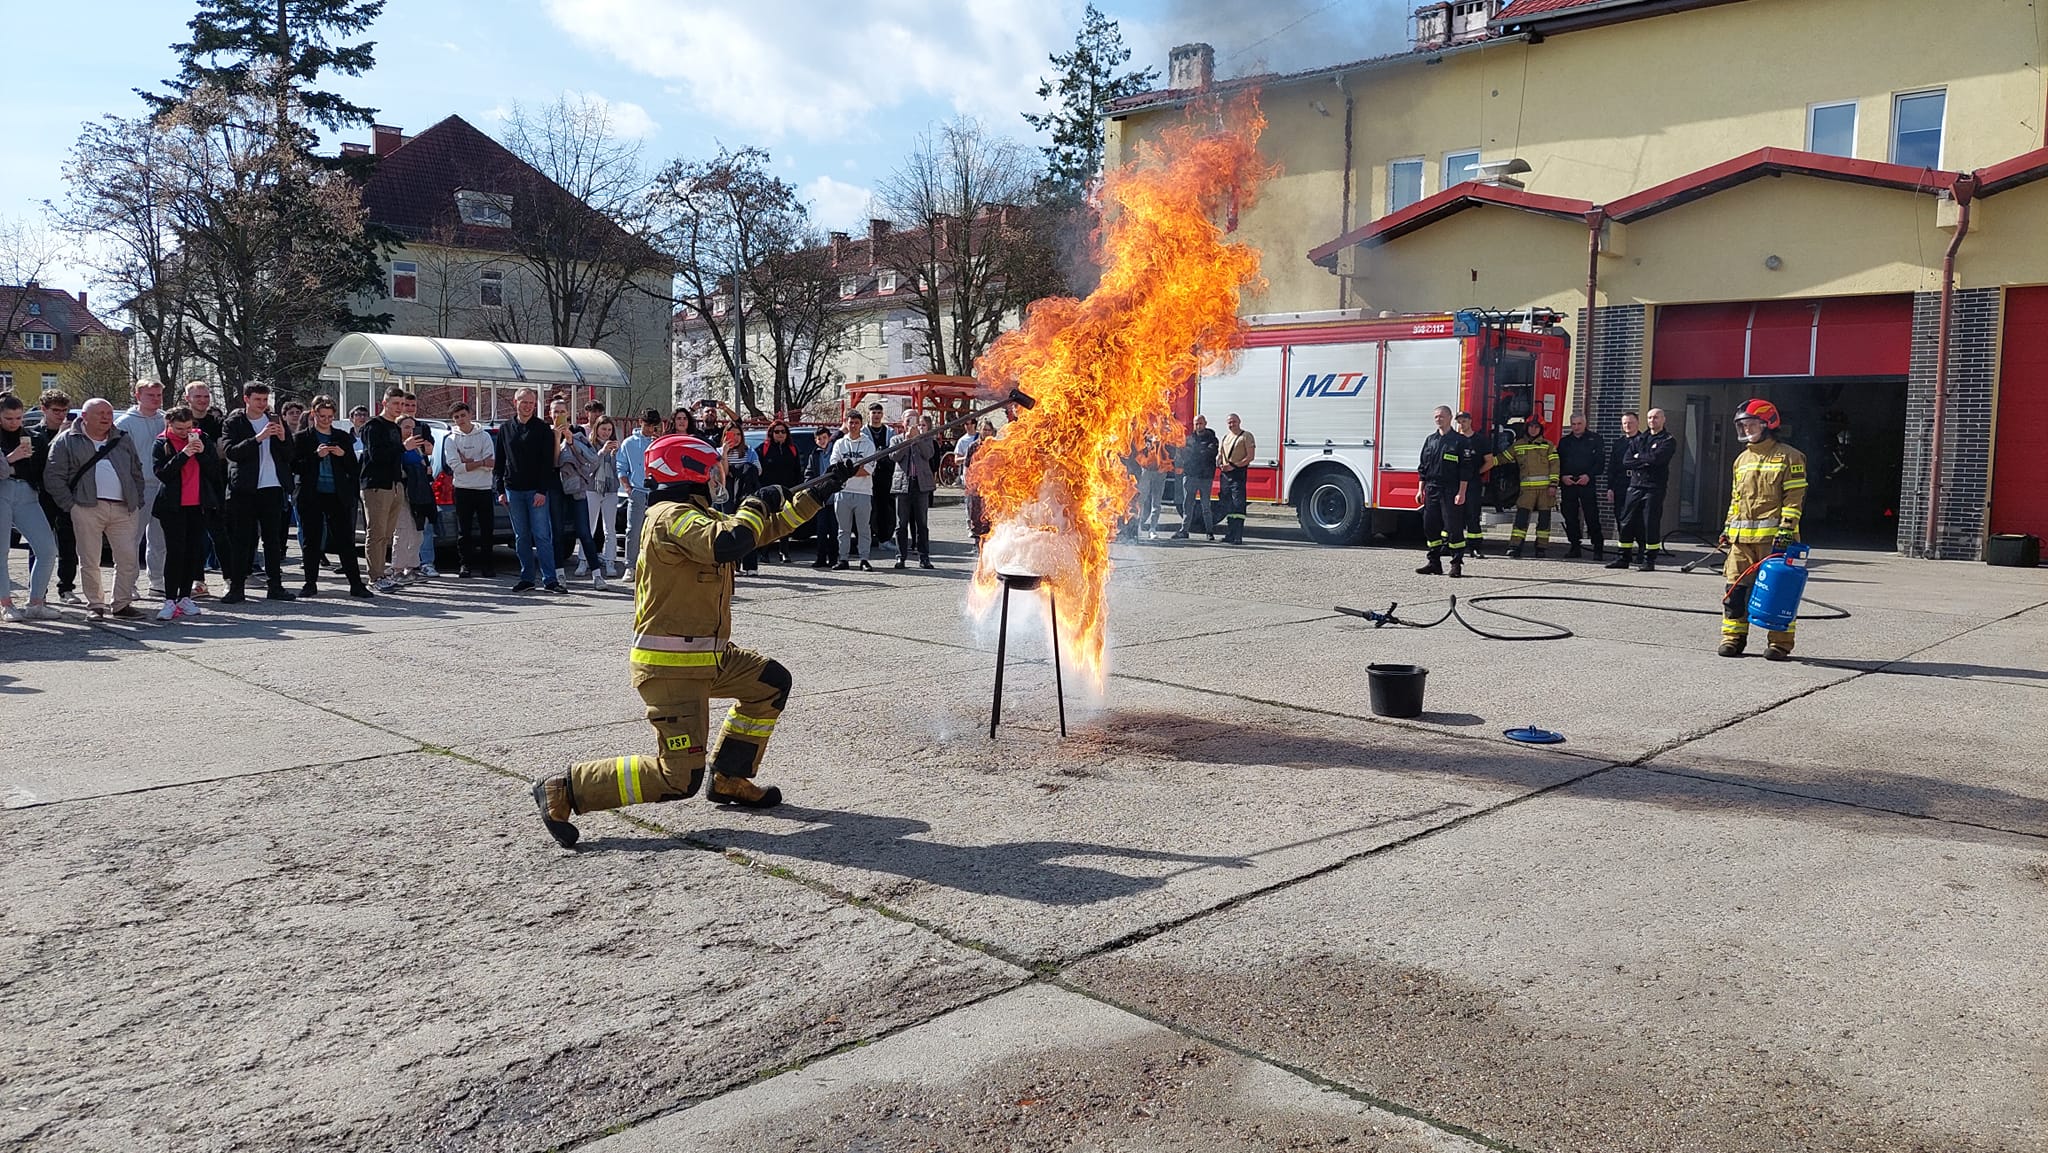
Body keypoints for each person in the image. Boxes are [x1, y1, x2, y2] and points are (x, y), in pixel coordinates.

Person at [529, 433, 859, 847]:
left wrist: (819, 490)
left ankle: (730, 778)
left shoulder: (695, 516)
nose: (716, 481)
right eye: (710, 473)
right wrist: (755, 503)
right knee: (678, 778)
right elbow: (731, 541)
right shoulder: (671, 517)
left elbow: (760, 531)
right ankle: (566, 789)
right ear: (689, 473)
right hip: (672, 666)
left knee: (771, 684)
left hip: (707, 655)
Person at [1718, 399, 1807, 660]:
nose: (1745, 430)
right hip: (1740, 541)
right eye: (1742, 425)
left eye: (1750, 424)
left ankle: (1780, 643)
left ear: (1768, 424)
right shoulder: (1741, 460)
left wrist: (1787, 530)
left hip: (1775, 541)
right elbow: (1736, 499)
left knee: (1780, 593)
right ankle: (1733, 639)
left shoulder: (1790, 456)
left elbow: (1794, 498)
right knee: (1734, 593)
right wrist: (1727, 528)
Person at [43, 398, 147, 619]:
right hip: (86, 507)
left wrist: (137, 498)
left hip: (124, 508)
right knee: (90, 559)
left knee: (128, 558)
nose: (106, 417)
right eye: (100, 413)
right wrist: (70, 506)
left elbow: (136, 470)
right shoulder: (66, 440)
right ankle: (96, 605)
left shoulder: (123, 439)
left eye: (109, 413)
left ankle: (121, 604)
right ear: (84, 416)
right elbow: (53, 476)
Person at [221, 382, 297, 603]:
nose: (263, 404)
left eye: (265, 400)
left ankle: (275, 586)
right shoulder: (234, 422)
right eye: (258, 400)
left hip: (272, 487)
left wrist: (283, 438)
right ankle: (237, 587)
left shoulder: (274, 420)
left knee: (272, 540)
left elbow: (289, 455)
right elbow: (231, 452)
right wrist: (258, 438)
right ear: (246, 399)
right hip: (244, 488)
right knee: (242, 539)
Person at [150, 405, 224, 620]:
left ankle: (185, 597)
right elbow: (163, 474)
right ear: (169, 424)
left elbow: (214, 472)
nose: (185, 432)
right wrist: (183, 454)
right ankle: (169, 600)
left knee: (193, 552)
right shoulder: (161, 442)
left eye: (188, 427)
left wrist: (201, 454)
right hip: (172, 507)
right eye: (180, 428)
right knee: (175, 553)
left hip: (198, 504)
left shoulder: (203, 438)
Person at [292, 396, 370, 598]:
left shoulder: (342, 436)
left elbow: (354, 468)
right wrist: (316, 456)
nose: (326, 420)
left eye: (329, 416)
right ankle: (310, 583)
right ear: (313, 414)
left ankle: (356, 584)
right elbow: (294, 466)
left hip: (337, 494)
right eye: (321, 416)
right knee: (312, 540)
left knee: (345, 539)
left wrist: (342, 454)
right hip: (311, 494)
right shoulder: (302, 438)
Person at [1, 394, 62, 621]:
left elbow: (40, 469)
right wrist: (10, 460)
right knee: (1, 553)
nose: (14, 422)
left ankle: (36, 602)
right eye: (8, 418)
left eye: (18, 417)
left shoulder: (33, 436)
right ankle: (6, 604)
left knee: (47, 549)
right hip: (3, 492)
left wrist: (13, 466)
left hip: (29, 493)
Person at [498, 388, 564, 594]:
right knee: (521, 537)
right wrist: (499, 489)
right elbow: (500, 461)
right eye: (523, 402)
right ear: (515, 402)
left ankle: (550, 580)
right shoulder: (505, 428)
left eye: (531, 403)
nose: (527, 406)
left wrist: (542, 491)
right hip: (513, 491)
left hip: (536, 492)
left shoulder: (543, 429)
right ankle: (527, 578)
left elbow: (548, 463)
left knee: (543, 536)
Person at [117, 381, 169, 599]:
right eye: (151, 395)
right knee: (132, 537)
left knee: (160, 538)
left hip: (163, 484)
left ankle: (157, 581)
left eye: (159, 395)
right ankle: (128, 584)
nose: (156, 399)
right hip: (138, 486)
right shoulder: (124, 423)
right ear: (137, 395)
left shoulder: (166, 419)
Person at [1609, 407, 1676, 572]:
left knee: (1649, 524)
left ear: (1663, 419)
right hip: (1635, 485)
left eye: (1656, 418)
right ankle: (1623, 557)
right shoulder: (1640, 439)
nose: (1653, 421)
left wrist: (1641, 457)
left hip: (1654, 487)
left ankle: (1648, 559)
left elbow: (1658, 459)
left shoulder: (1667, 440)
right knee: (1626, 521)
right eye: (1650, 418)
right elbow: (1627, 460)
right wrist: (1644, 460)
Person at [356, 388, 409, 587]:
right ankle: (375, 576)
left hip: (394, 484)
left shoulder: (395, 427)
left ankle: (382, 573)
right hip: (376, 485)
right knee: (376, 532)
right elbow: (377, 456)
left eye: (402, 404)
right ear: (384, 403)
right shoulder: (373, 426)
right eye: (395, 403)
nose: (399, 408)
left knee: (387, 533)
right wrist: (404, 447)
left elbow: (395, 456)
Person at [1415, 405, 1474, 577]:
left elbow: (1465, 470)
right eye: (1436, 417)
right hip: (1432, 489)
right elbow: (1423, 467)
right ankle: (1434, 563)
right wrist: (1420, 490)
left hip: (1451, 490)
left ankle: (1456, 564)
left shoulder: (1460, 441)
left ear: (1449, 418)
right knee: (1430, 526)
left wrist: (1461, 492)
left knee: (1454, 528)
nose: (1438, 419)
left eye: (1441, 416)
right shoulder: (1430, 440)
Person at [34, 391, 82, 604]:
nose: (61, 415)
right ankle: (38, 591)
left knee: (68, 544)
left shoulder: (74, 434)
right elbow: (38, 464)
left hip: (66, 494)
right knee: (39, 545)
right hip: (41, 495)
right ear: (44, 409)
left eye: (64, 411)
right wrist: (57, 438)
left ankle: (66, 588)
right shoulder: (34, 433)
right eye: (56, 411)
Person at [553, 398, 605, 586]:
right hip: (556, 488)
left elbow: (590, 459)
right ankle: (559, 574)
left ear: (568, 414)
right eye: (555, 412)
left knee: (584, 531)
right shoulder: (547, 434)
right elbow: (555, 463)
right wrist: (557, 440)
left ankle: (597, 575)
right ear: (550, 414)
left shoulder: (578, 433)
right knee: (557, 532)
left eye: (562, 412)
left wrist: (570, 440)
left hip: (577, 487)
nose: (559, 415)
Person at [443, 401, 496, 579]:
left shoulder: (485, 436)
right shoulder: (451, 439)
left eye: (463, 415)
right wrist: (479, 462)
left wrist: (470, 462)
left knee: (487, 530)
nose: (460, 420)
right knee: (464, 531)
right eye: (456, 417)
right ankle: (465, 565)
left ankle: (488, 565)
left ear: (470, 414)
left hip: (484, 489)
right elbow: (456, 467)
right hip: (463, 489)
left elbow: (491, 464)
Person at [383, 413, 434, 591]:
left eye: (412, 427)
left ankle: (411, 568)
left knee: (418, 531)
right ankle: (397, 569)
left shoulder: (418, 447)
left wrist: (426, 468)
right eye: (406, 427)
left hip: (419, 494)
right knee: (403, 530)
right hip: (402, 493)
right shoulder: (396, 447)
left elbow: (422, 464)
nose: (410, 431)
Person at [1500, 419, 1559, 560]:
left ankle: (1541, 548)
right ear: (1526, 428)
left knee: (1544, 520)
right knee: (1521, 519)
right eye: (1531, 427)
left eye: (1536, 427)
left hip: (1545, 490)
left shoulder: (1548, 446)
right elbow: (1503, 458)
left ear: (1540, 429)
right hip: (1527, 492)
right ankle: (1515, 547)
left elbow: (1555, 466)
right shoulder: (1518, 445)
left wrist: (1553, 485)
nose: (1533, 429)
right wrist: (1488, 462)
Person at [890, 411, 937, 569]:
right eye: (907, 420)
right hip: (902, 485)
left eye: (914, 420)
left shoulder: (926, 438)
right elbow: (895, 456)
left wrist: (917, 439)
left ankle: (924, 557)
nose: (911, 423)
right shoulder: (896, 439)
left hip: (920, 485)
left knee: (921, 523)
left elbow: (928, 454)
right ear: (902, 422)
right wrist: (907, 439)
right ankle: (900, 557)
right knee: (901, 523)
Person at [1556, 412, 1606, 560]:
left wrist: (1589, 476)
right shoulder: (1564, 442)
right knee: (1570, 517)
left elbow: (1600, 463)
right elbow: (1558, 462)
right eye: (1574, 424)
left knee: (1592, 516)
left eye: (1579, 424)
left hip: (1587, 484)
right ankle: (1574, 547)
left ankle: (1598, 548)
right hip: (1569, 484)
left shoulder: (1595, 439)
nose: (1576, 427)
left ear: (1585, 424)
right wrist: (1562, 477)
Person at [829, 411, 875, 571]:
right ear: (846, 423)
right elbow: (835, 466)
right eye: (851, 422)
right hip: (843, 492)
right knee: (843, 529)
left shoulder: (868, 444)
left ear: (861, 424)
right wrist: (855, 469)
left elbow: (868, 469)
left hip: (863, 492)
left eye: (856, 422)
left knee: (864, 528)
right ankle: (843, 559)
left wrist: (848, 471)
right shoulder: (840, 444)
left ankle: (864, 559)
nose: (853, 426)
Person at [619, 409, 661, 577]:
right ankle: (630, 565)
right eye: (647, 425)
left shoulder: (658, 441)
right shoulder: (628, 443)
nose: (650, 429)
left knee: (656, 530)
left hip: (656, 491)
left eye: (653, 426)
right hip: (637, 489)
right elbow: (621, 466)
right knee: (633, 529)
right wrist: (628, 488)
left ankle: (654, 564)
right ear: (640, 422)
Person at [757, 420, 805, 563]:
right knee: (768, 522)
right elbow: (758, 471)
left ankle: (784, 551)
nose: (780, 434)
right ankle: (764, 553)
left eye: (783, 432)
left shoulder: (792, 449)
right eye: (777, 431)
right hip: (768, 492)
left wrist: (797, 489)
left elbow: (798, 471)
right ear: (771, 433)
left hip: (788, 490)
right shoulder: (763, 449)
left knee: (785, 521)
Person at [719, 425, 762, 574]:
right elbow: (723, 473)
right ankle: (733, 565)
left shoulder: (749, 451)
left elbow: (758, 470)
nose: (735, 437)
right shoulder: (720, 452)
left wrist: (742, 468)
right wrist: (724, 452)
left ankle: (751, 566)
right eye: (732, 434)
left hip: (745, 493)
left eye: (738, 434)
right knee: (731, 528)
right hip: (728, 495)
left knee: (748, 526)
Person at [1453, 412, 1493, 557]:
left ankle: (1475, 547)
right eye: (1459, 421)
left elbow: (1490, 461)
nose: (1461, 424)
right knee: (1453, 515)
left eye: (1464, 421)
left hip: (1473, 483)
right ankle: (1448, 544)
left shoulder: (1480, 440)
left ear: (1470, 421)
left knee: (1472, 514)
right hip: (1454, 483)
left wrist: (1477, 473)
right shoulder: (1454, 440)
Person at [1174, 414, 1219, 541]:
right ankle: (1184, 531)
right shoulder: (1188, 439)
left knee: (1206, 506)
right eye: (1196, 423)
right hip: (1190, 476)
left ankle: (1209, 532)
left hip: (1205, 477)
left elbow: (1210, 454)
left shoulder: (1212, 439)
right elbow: (1183, 455)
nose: (1198, 426)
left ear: (1205, 423)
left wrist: (1193, 453)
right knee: (1187, 505)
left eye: (1200, 423)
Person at [589, 416, 622, 578]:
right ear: (597, 429)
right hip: (592, 488)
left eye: (609, 430)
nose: (606, 433)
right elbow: (589, 467)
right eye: (603, 429)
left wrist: (616, 455)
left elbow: (619, 471)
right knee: (589, 527)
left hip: (611, 489)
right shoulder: (590, 445)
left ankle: (610, 561)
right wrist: (602, 452)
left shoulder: (616, 447)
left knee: (610, 528)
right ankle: (584, 560)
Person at [804, 425, 840, 568]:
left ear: (829, 437)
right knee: (821, 530)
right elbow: (809, 473)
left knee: (835, 530)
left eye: (824, 438)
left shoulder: (835, 452)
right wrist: (810, 486)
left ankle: (833, 558)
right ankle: (820, 558)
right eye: (819, 439)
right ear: (815, 440)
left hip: (835, 497)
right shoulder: (814, 455)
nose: (822, 441)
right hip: (820, 499)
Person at [1216, 412, 1254, 544]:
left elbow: (1250, 457)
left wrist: (1234, 466)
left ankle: (1238, 535)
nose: (1232, 424)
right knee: (1228, 506)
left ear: (1239, 421)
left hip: (1238, 474)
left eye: (1234, 422)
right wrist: (1219, 463)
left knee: (1238, 506)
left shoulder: (1246, 436)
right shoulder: (1225, 437)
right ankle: (1230, 534)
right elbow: (1220, 454)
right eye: (1229, 422)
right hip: (1225, 475)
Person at [864, 403, 896, 550]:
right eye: (873, 413)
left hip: (885, 475)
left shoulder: (889, 432)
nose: (876, 415)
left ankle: (884, 539)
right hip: (866, 475)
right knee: (867, 508)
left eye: (878, 412)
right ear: (868, 414)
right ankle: (866, 538)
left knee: (885, 508)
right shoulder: (863, 432)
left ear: (882, 414)